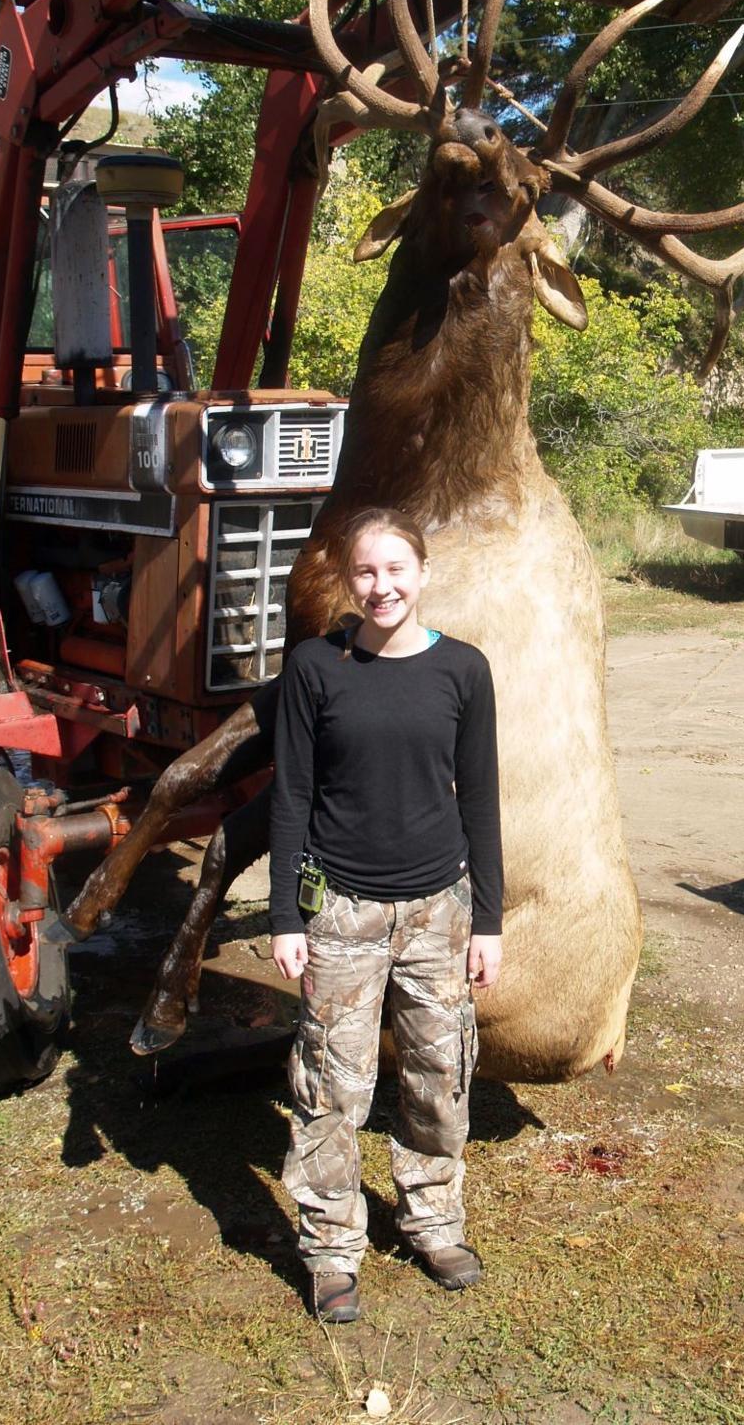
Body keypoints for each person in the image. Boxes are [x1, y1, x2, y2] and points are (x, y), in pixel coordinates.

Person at [270, 507, 504, 1324]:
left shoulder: (463, 671)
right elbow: (293, 795)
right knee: (334, 1087)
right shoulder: (314, 669)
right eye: (366, 572)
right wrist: (286, 917)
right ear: (349, 578)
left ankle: (433, 1219)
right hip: (340, 910)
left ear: (423, 573)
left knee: (440, 1076)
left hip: (440, 908)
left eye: (396, 570)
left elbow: (479, 800)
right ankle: (332, 1249)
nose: (382, 587)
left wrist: (489, 921)